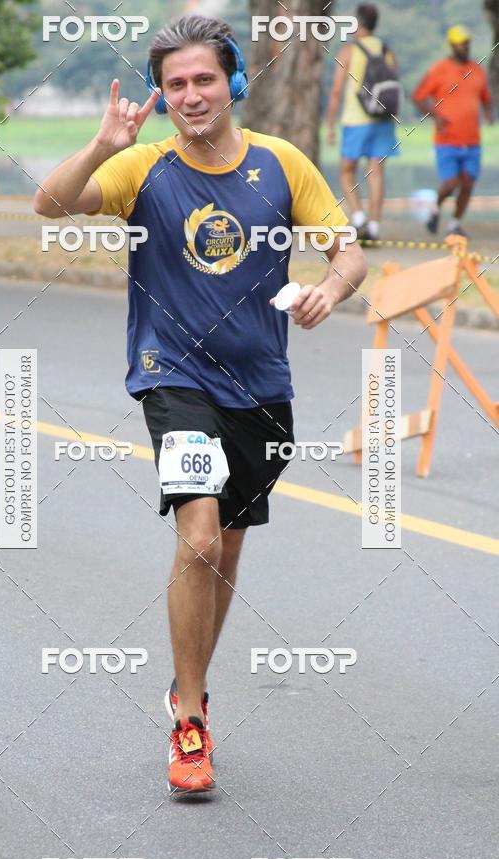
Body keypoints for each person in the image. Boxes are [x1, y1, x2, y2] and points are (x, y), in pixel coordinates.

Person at [34, 14, 367, 796]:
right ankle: (189, 718)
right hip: (172, 377)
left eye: (204, 80)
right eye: (175, 83)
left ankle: (194, 689)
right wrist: (101, 147)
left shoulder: (283, 164)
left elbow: (346, 248)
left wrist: (330, 289)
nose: (189, 95)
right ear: (161, 94)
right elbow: (51, 207)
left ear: (234, 84)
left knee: (229, 548)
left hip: (261, 388)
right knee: (202, 539)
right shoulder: (142, 168)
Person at [326, 3, 400, 243]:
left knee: (347, 171)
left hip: (355, 120)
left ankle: (358, 219)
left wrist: (329, 124)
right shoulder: (387, 50)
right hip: (382, 118)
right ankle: (375, 228)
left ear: (357, 24)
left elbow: (337, 91)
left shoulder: (347, 52)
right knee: (376, 173)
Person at [412, 25, 494, 237]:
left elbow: (486, 98)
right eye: (460, 43)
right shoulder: (440, 69)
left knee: (467, 183)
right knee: (451, 183)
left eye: (467, 42)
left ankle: (454, 223)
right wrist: (436, 116)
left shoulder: (477, 70)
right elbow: (418, 97)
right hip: (446, 140)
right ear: (451, 45)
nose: (464, 47)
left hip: (472, 141)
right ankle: (435, 209)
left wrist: (488, 114)